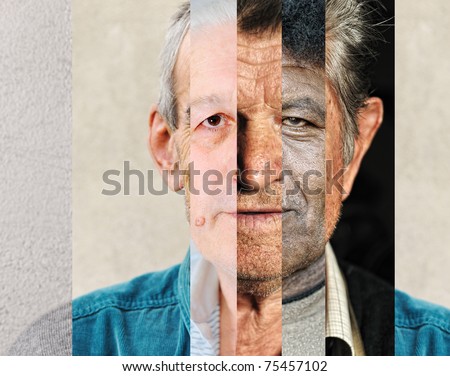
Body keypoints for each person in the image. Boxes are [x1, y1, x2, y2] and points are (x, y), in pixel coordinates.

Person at [9, 0, 450, 357]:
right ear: (168, 147)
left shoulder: (436, 352)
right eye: (215, 119)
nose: (255, 170)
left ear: (354, 149)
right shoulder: (65, 352)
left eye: (296, 120)